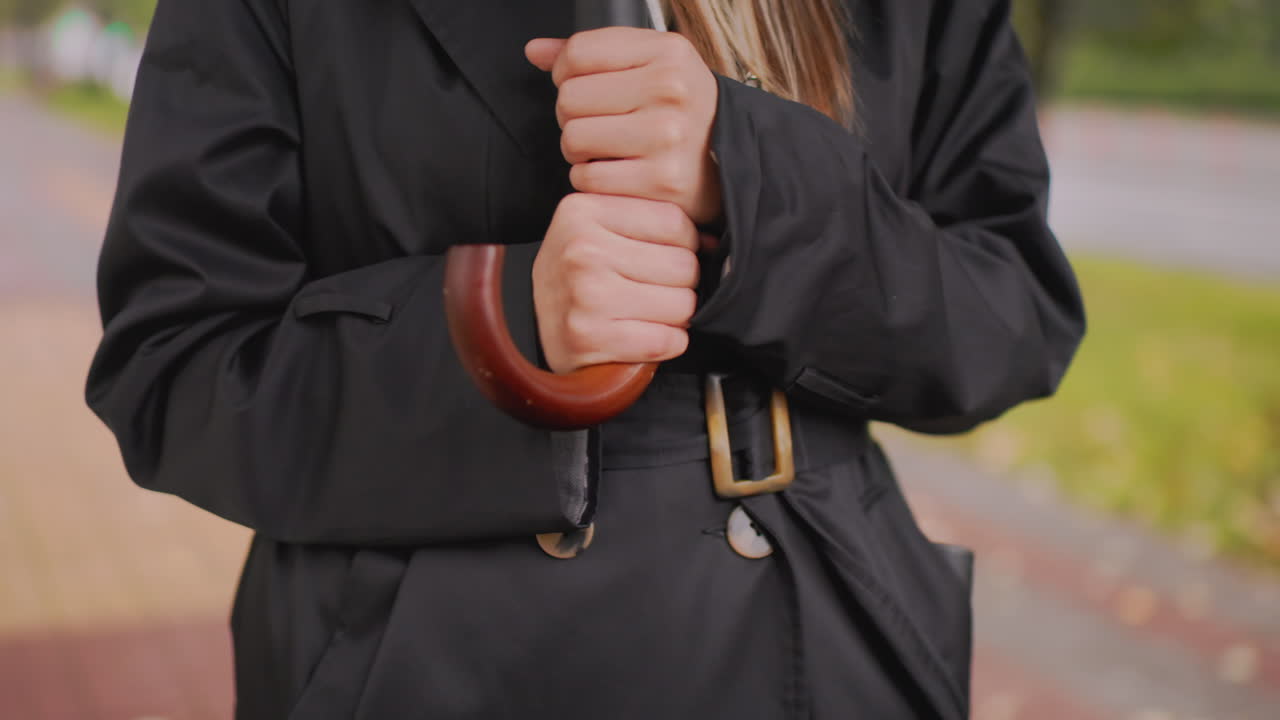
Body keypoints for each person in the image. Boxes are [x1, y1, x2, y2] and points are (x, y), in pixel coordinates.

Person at [85, 0, 1085, 718]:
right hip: (427, 665)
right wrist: (501, 327)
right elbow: (177, 364)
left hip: (827, 645)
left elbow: (1011, 315)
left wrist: (752, 183)